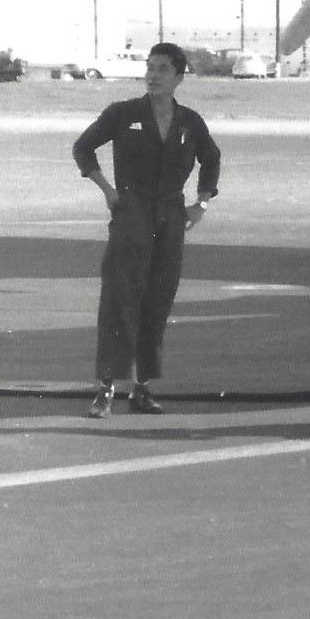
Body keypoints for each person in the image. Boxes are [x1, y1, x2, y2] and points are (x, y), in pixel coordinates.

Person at [71, 42, 222, 416]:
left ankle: (142, 387)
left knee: (157, 300)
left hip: (171, 216)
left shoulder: (190, 121)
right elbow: (83, 148)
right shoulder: (123, 113)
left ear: (179, 77)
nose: (153, 76)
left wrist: (200, 204)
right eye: (150, 68)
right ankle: (105, 388)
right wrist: (107, 190)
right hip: (132, 212)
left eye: (163, 70)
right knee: (120, 298)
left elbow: (212, 159)